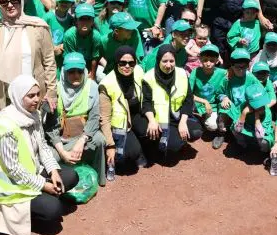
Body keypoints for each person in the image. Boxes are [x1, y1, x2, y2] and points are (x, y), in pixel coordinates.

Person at [0, 75, 78, 235]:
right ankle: (29, 217)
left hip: (33, 172)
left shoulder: (33, 114)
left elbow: (42, 146)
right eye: (30, 96)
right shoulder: (6, 125)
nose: (36, 100)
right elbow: (13, 170)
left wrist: (54, 171)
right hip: (12, 184)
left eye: (37, 94)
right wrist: (43, 185)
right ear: (19, 97)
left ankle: (43, 200)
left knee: (71, 176)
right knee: (54, 210)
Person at [0, 0, 57, 116]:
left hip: (34, 96)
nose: (9, 5)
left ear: (20, 0)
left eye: (14, 0)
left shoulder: (38, 26)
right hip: (5, 97)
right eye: (4, 2)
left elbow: (49, 62)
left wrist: (51, 92)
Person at [47, 52, 106, 185]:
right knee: (52, 157)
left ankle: (97, 178)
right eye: (71, 72)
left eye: (79, 71)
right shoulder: (54, 91)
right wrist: (62, 152)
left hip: (82, 135)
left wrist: (81, 140)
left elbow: (94, 118)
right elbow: (50, 127)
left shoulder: (92, 87)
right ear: (64, 72)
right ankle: (59, 184)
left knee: (99, 140)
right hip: (60, 140)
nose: (76, 75)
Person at [139, 45, 203, 159]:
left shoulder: (182, 74)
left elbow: (188, 100)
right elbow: (146, 102)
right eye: (164, 61)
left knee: (196, 131)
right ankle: (156, 143)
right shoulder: (148, 77)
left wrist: (183, 122)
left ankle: (173, 137)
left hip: (176, 117)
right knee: (172, 146)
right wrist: (152, 120)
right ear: (158, 60)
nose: (168, 65)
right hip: (159, 120)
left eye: (171, 61)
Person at [99, 46, 148, 178]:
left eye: (131, 63)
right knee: (130, 153)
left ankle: (145, 150)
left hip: (136, 114)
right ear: (116, 63)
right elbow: (104, 118)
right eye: (122, 63)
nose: (127, 66)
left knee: (150, 129)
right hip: (119, 123)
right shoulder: (107, 84)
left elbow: (147, 97)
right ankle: (135, 151)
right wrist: (110, 145)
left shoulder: (138, 72)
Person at [217, 48, 262, 149]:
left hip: (247, 109)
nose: (241, 70)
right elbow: (219, 93)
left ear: (248, 65)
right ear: (232, 66)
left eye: (244, 66)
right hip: (233, 108)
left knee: (240, 128)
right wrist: (224, 97)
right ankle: (221, 133)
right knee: (224, 106)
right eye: (238, 67)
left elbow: (261, 94)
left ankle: (242, 143)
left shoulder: (251, 78)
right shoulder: (227, 78)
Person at [190, 44, 227, 146]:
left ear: (217, 60)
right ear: (200, 59)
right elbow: (188, 93)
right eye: (205, 60)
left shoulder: (223, 73)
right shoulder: (195, 72)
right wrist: (204, 101)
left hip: (217, 104)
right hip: (201, 104)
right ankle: (201, 118)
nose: (208, 63)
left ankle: (222, 130)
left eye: (212, 60)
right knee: (212, 126)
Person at [250, 32, 277, 102]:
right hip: (262, 86)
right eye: (269, 44)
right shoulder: (259, 57)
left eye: (274, 44)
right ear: (264, 44)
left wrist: (276, 83)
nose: (271, 46)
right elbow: (252, 75)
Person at [233, 83, 274, 155]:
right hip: (248, 131)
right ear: (248, 102)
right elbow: (237, 129)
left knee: (264, 141)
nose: (261, 106)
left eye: (262, 102)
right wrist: (244, 113)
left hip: (260, 133)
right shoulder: (243, 106)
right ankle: (243, 145)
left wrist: (257, 117)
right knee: (234, 128)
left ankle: (263, 152)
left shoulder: (267, 111)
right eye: (257, 104)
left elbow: (260, 135)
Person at [63, 3, 101, 79]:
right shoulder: (69, 35)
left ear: (93, 21)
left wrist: (92, 75)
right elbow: (70, 58)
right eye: (82, 19)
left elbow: (95, 57)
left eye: (88, 19)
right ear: (76, 21)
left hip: (89, 66)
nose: (85, 22)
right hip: (72, 65)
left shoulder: (96, 36)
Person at [42, 0, 76, 70]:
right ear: (57, 1)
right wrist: (52, 49)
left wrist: (62, 47)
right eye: (61, 1)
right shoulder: (47, 17)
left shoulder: (71, 20)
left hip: (63, 61)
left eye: (67, 2)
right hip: (47, 60)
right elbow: (40, 38)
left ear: (71, 3)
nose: (64, 4)